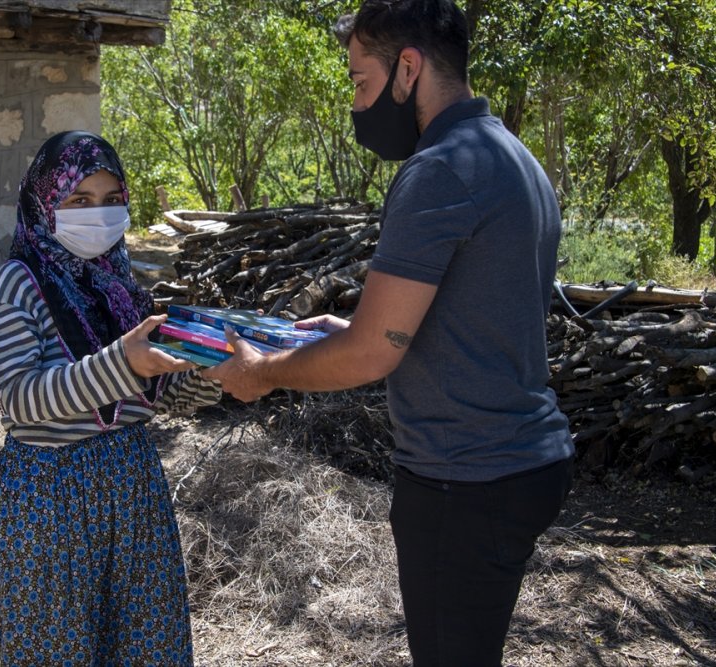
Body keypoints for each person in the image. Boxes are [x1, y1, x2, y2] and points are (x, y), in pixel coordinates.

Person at [203, 1, 575, 665]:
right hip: (523, 462)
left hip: (466, 479)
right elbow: (470, 323)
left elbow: (375, 353)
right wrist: (352, 328)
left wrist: (263, 372)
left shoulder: (439, 169)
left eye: (359, 82)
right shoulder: (513, 158)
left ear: (409, 68)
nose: (357, 105)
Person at [0, 130, 220, 666]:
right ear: (45, 204)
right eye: (79, 201)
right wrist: (121, 363)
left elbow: (160, 398)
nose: (100, 215)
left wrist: (220, 372)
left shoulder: (120, 287)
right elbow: (20, 400)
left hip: (132, 491)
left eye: (112, 201)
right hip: (49, 502)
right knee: (56, 652)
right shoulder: (18, 284)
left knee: (146, 649)